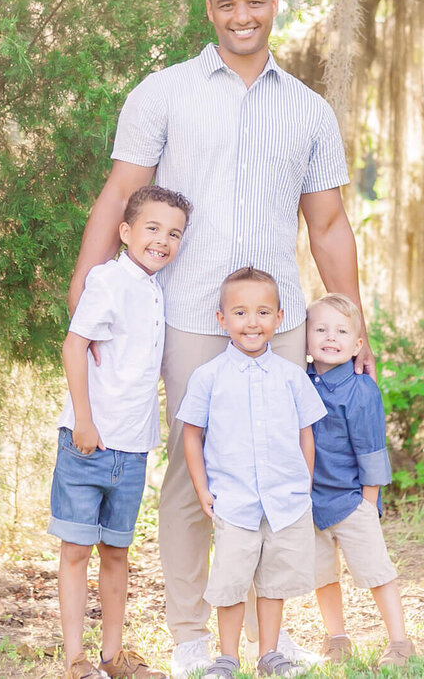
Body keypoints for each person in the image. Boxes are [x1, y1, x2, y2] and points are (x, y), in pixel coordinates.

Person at [67, 0, 371, 677]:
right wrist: (85, 284)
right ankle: (190, 636)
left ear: (273, 4)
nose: (242, 15)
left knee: (277, 474)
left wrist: (357, 324)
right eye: (227, 3)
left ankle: (271, 637)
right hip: (186, 317)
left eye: (255, 2)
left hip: (282, 319)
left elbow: (328, 226)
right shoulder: (163, 93)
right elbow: (118, 196)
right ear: (210, 10)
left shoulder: (308, 110)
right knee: (191, 475)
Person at [50, 185, 193, 679]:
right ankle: (76, 659)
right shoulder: (108, 281)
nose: (163, 240)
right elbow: (74, 347)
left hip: (132, 449)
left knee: (116, 553)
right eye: (152, 228)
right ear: (126, 232)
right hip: (89, 442)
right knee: (76, 552)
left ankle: (113, 658)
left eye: (174, 233)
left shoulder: (156, 287)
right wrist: (84, 421)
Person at [177, 268, 326, 679]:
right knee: (231, 581)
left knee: (274, 582)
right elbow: (192, 435)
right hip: (234, 500)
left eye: (262, 312)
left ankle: (269, 654)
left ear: (279, 318)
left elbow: (305, 434)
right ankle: (226, 657)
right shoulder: (209, 377)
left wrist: (304, 483)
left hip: (284, 501)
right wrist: (202, 489)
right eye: (240, 313)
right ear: (222, 319)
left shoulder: (292, 377)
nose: (252, 322)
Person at [305, 294, 416, 667]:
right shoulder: (301, 382)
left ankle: (399, 641)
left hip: (353, 499)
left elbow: (371, 450)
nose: (330, 337)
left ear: (357, 344)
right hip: (312, 500)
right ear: (306, 337)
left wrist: (368, 504)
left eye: (341, 331)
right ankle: (336, 637)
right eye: (320, 329)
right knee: (323, 573)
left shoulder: (360, 389)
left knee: (375, 571)